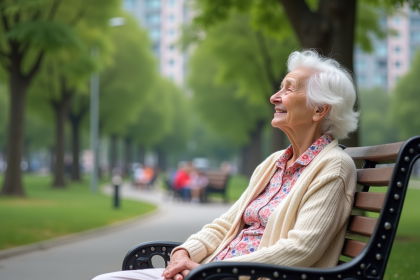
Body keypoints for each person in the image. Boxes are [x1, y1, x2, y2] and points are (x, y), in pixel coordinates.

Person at [93, 50, 358, 280]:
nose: (274, 97)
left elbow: (301, 249)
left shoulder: (333, 168)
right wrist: (184, 254)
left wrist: (213, 271)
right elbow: (224, 225)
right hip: (211, 272)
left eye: (288, 89)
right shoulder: (273, 163)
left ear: (319, 110)